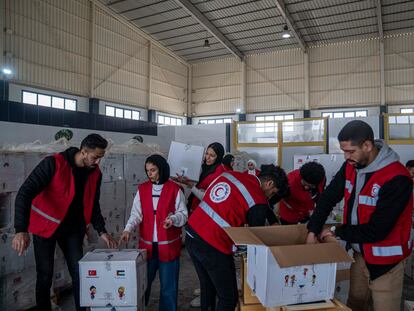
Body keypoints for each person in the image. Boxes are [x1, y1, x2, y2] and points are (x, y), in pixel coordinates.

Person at [306, 120, 413, 311]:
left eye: (351, 151)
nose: (346, 157)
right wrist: (313, 229)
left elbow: (377, 231)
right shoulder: (351, 166)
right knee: (355, 304)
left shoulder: (397, 178)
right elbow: (328, 197)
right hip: (360, 256)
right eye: (344, 151)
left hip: (387, 265)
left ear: (367, 145)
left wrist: (334, 230)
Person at [12, 134, 118, 311]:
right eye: (95, 157)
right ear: (83, 152)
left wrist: (102, 231)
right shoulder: (54, 163)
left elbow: (94, 204)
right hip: (46, 227)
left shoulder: (95, 173)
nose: (98, 162)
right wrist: (20, 229)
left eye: (101, 157)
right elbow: (24, 193)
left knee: (79, 273)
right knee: (45, 276)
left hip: (73, 230)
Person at [186, 165, 289, 311]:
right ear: (270, 183)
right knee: (229, 298)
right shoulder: (258, 199)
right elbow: (254, 240)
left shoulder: (231, 175)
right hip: (212, 244)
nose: (271, 197)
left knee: (208, 287)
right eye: (273, 193)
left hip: (192, 233)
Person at [120, 154, 187, 311]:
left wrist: (174, 220)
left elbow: (183, 214)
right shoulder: (142, 189)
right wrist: (127, 229)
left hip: (169, 247)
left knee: (168, 287)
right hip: (147, 247)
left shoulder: (175, 189)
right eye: (147, 170)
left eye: (153, 170)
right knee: (143, 284)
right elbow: (136, 214)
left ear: (161, 169)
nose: (149, 173)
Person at [178, 142, 227, 213]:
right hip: (195, 206)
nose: (207, 157)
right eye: (207, 154)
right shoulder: (205, 168)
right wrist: (185, 181)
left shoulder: (220, 173)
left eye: (212, 155)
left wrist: (191, 186)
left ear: (219, 157)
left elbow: (210, 198)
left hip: (205, 211)